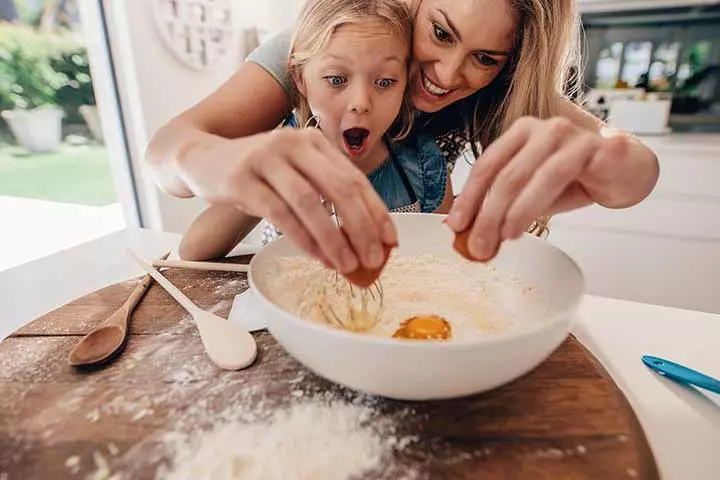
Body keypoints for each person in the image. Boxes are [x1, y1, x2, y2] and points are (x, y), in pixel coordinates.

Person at [145, 0, 659, 273]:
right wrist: (209, 162)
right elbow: (166, 154)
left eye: (485, 58)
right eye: (440, 32)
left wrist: (608, 162)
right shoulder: (332, 45)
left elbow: (637, 172)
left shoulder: (501, 90)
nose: (448, 73)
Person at [179, 0, 452, 261]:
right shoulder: (280, 154)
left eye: (384, 81)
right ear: (300, 79)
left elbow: (444, 260)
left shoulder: (424, 165)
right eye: (336, 79)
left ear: (405, 82)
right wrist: (267, 179)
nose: (360, 103)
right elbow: (194, 250)